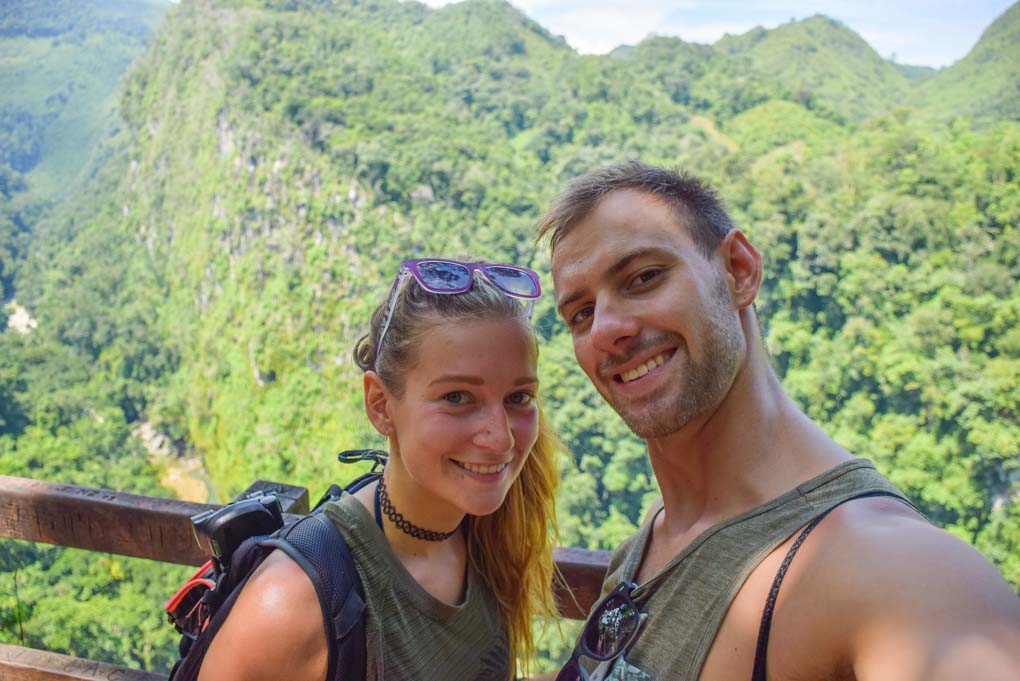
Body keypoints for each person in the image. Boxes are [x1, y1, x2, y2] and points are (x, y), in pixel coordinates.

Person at [537, 161, 1020, 681]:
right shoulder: (648, 545)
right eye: (581, 313)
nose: (607, 328)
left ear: (738, 271)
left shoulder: (897, 574)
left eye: (644, 277)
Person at [197, 257, 562, 681]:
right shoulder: (293, 602)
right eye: (458, 397)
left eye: (518, 398)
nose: (500, 438)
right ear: (380, 406)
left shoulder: (494, 537)